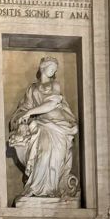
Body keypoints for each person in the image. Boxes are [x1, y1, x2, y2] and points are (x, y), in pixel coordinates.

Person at [7, 56, 79, 202]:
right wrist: (22, 117)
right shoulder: (32, 89)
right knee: (44, 153)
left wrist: (30, 113)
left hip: (58, 125)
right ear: (42, 68)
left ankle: (52, 189)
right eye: (50, 67)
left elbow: (51, 104)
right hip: (41, 126)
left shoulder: (55, 85)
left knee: (55, 157)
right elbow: (24, 107)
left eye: (55, 69)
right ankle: (37, 188)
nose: (53, 71)